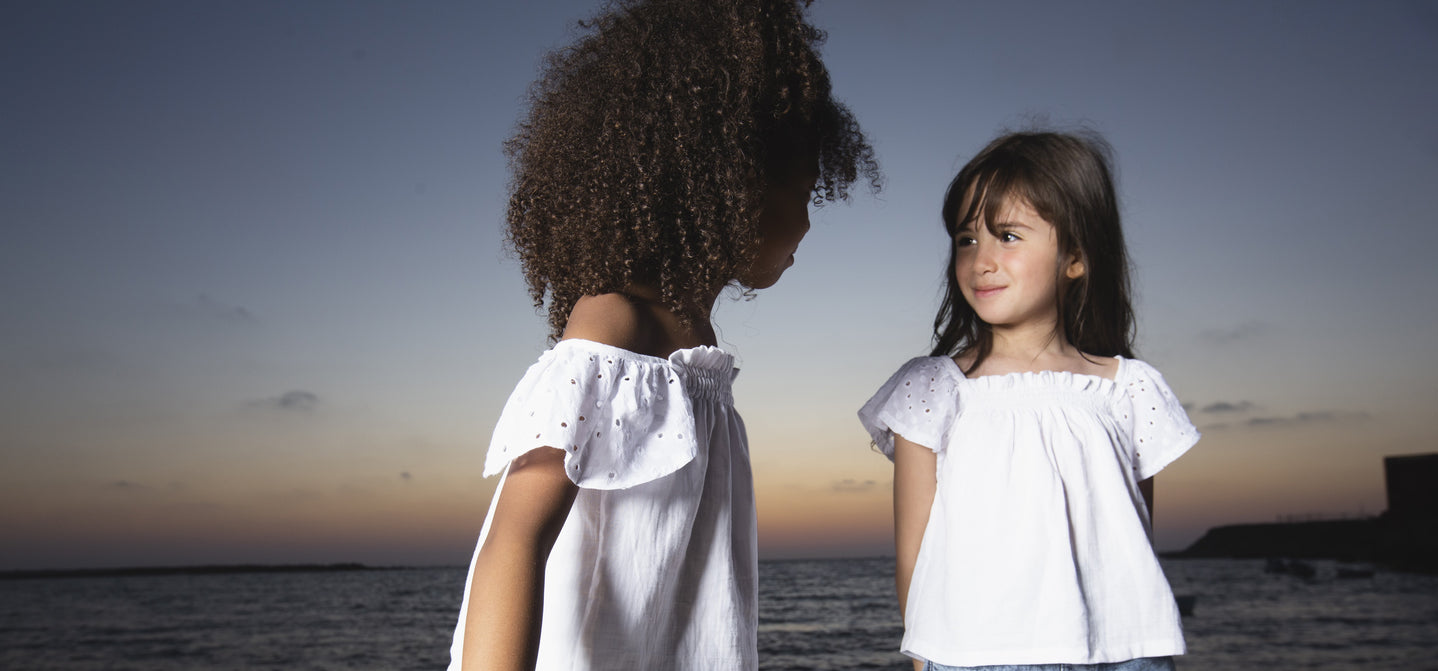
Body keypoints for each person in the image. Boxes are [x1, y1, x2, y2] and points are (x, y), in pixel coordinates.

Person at [448, 1, 878, 669]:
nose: (807, 222)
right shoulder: (615, 323)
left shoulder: (693, 351)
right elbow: (515, 538)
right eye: (803, 190)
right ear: (733, 184)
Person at [859, 131, 1198, 671]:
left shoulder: (1129, 390)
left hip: (1124, 654)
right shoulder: (933, 389)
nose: (982, 261)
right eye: (967, 240)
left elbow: (1137, 537)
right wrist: (925, 662)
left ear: (1077, 258)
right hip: (973, 658)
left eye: (1009, 236)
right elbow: (915, 556)